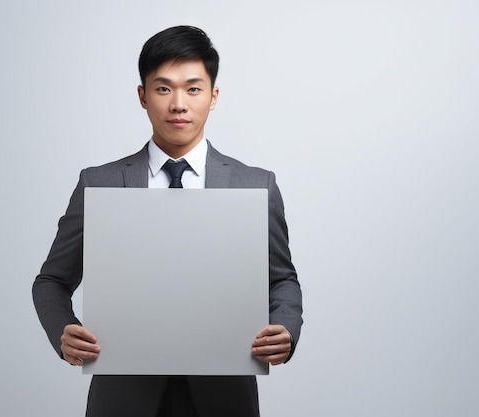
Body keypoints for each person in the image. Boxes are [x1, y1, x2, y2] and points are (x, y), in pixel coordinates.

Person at [33, 25, 303, 417]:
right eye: (163, 88)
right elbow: (51, 281)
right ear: (143, 96)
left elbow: (282, 279)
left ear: (213, 97)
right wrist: (63, 332)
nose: (178, 103)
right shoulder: (100, 182)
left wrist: (285, 327)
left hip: (225, 398)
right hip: (122, 399)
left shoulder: (255, 185)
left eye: (193, 89)